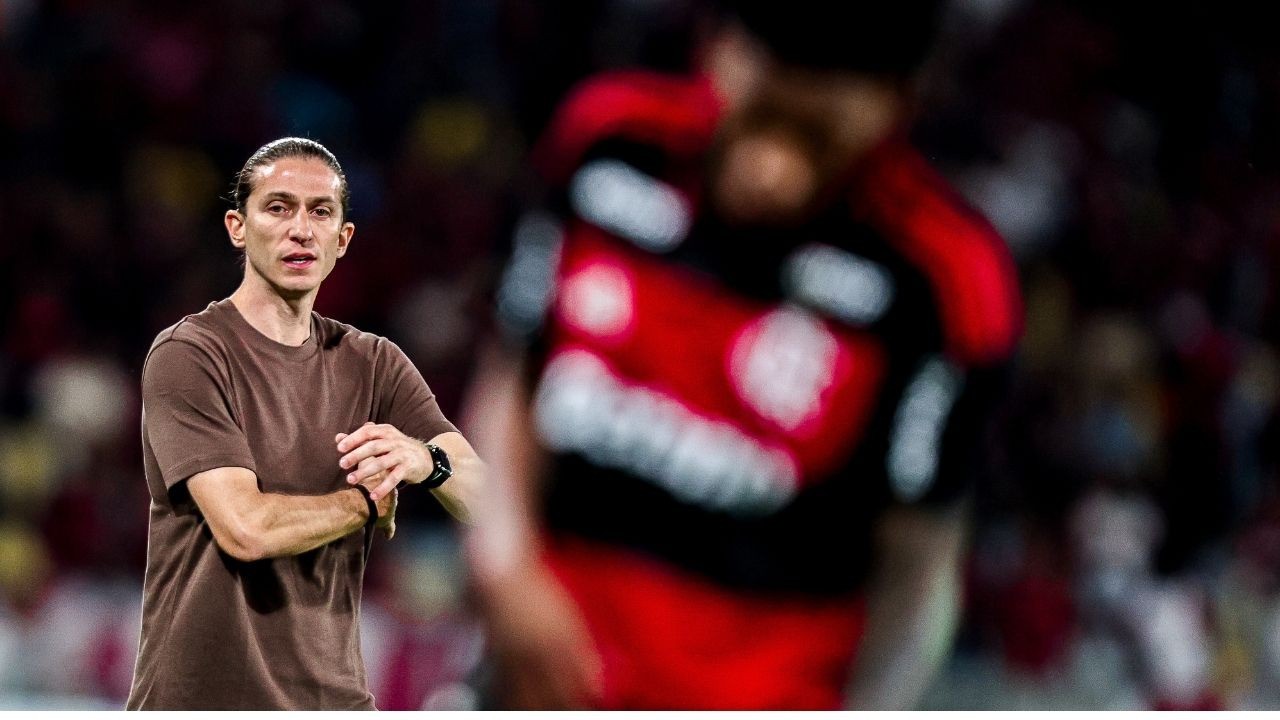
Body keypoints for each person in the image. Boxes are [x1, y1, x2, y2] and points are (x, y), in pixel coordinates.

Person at [462, 0, 1022, 710]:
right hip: (544, 679)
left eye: (817, 137)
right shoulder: (608, 142)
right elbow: (516, 370)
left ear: (898, 104)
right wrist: (504, 558)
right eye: (763, 115)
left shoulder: (945, 280)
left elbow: (919, 558)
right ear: (719, 50)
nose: (774, 170)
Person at [127, 137, 483, 710]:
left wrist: (426, 460)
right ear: (237, 227)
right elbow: (246, 528)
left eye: (320, 212)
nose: (301, 229)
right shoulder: (190, 353)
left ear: (342, 240)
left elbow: (490, 500)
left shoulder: (373, 362)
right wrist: (365, 505)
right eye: (278, 207)